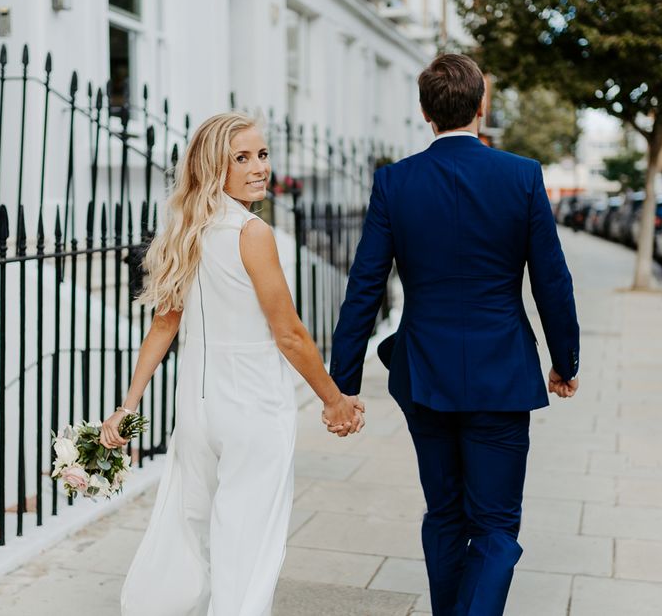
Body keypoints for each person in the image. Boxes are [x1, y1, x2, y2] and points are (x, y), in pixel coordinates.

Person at [327, 54, 580, 616]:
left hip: (426, 376)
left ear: (424, 112)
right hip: (502, 374)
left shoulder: (395, 182)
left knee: (444, 514)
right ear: (482, 105)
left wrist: (343, 383)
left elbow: (365, 285)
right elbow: (552, 281)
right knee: (494, 526)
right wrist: (565, 360)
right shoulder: (521, 176)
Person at [99, 112, 364, 616]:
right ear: (212, 167)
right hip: (253, 409)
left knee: (188, 529)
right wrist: (335, 402)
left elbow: (163, 325)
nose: (258, 167)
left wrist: (127, 406)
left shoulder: (187, 229)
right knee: (248, 544)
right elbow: (289, 333)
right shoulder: (250, 231)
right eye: (241, 158)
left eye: (261, 155)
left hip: (198, 412)